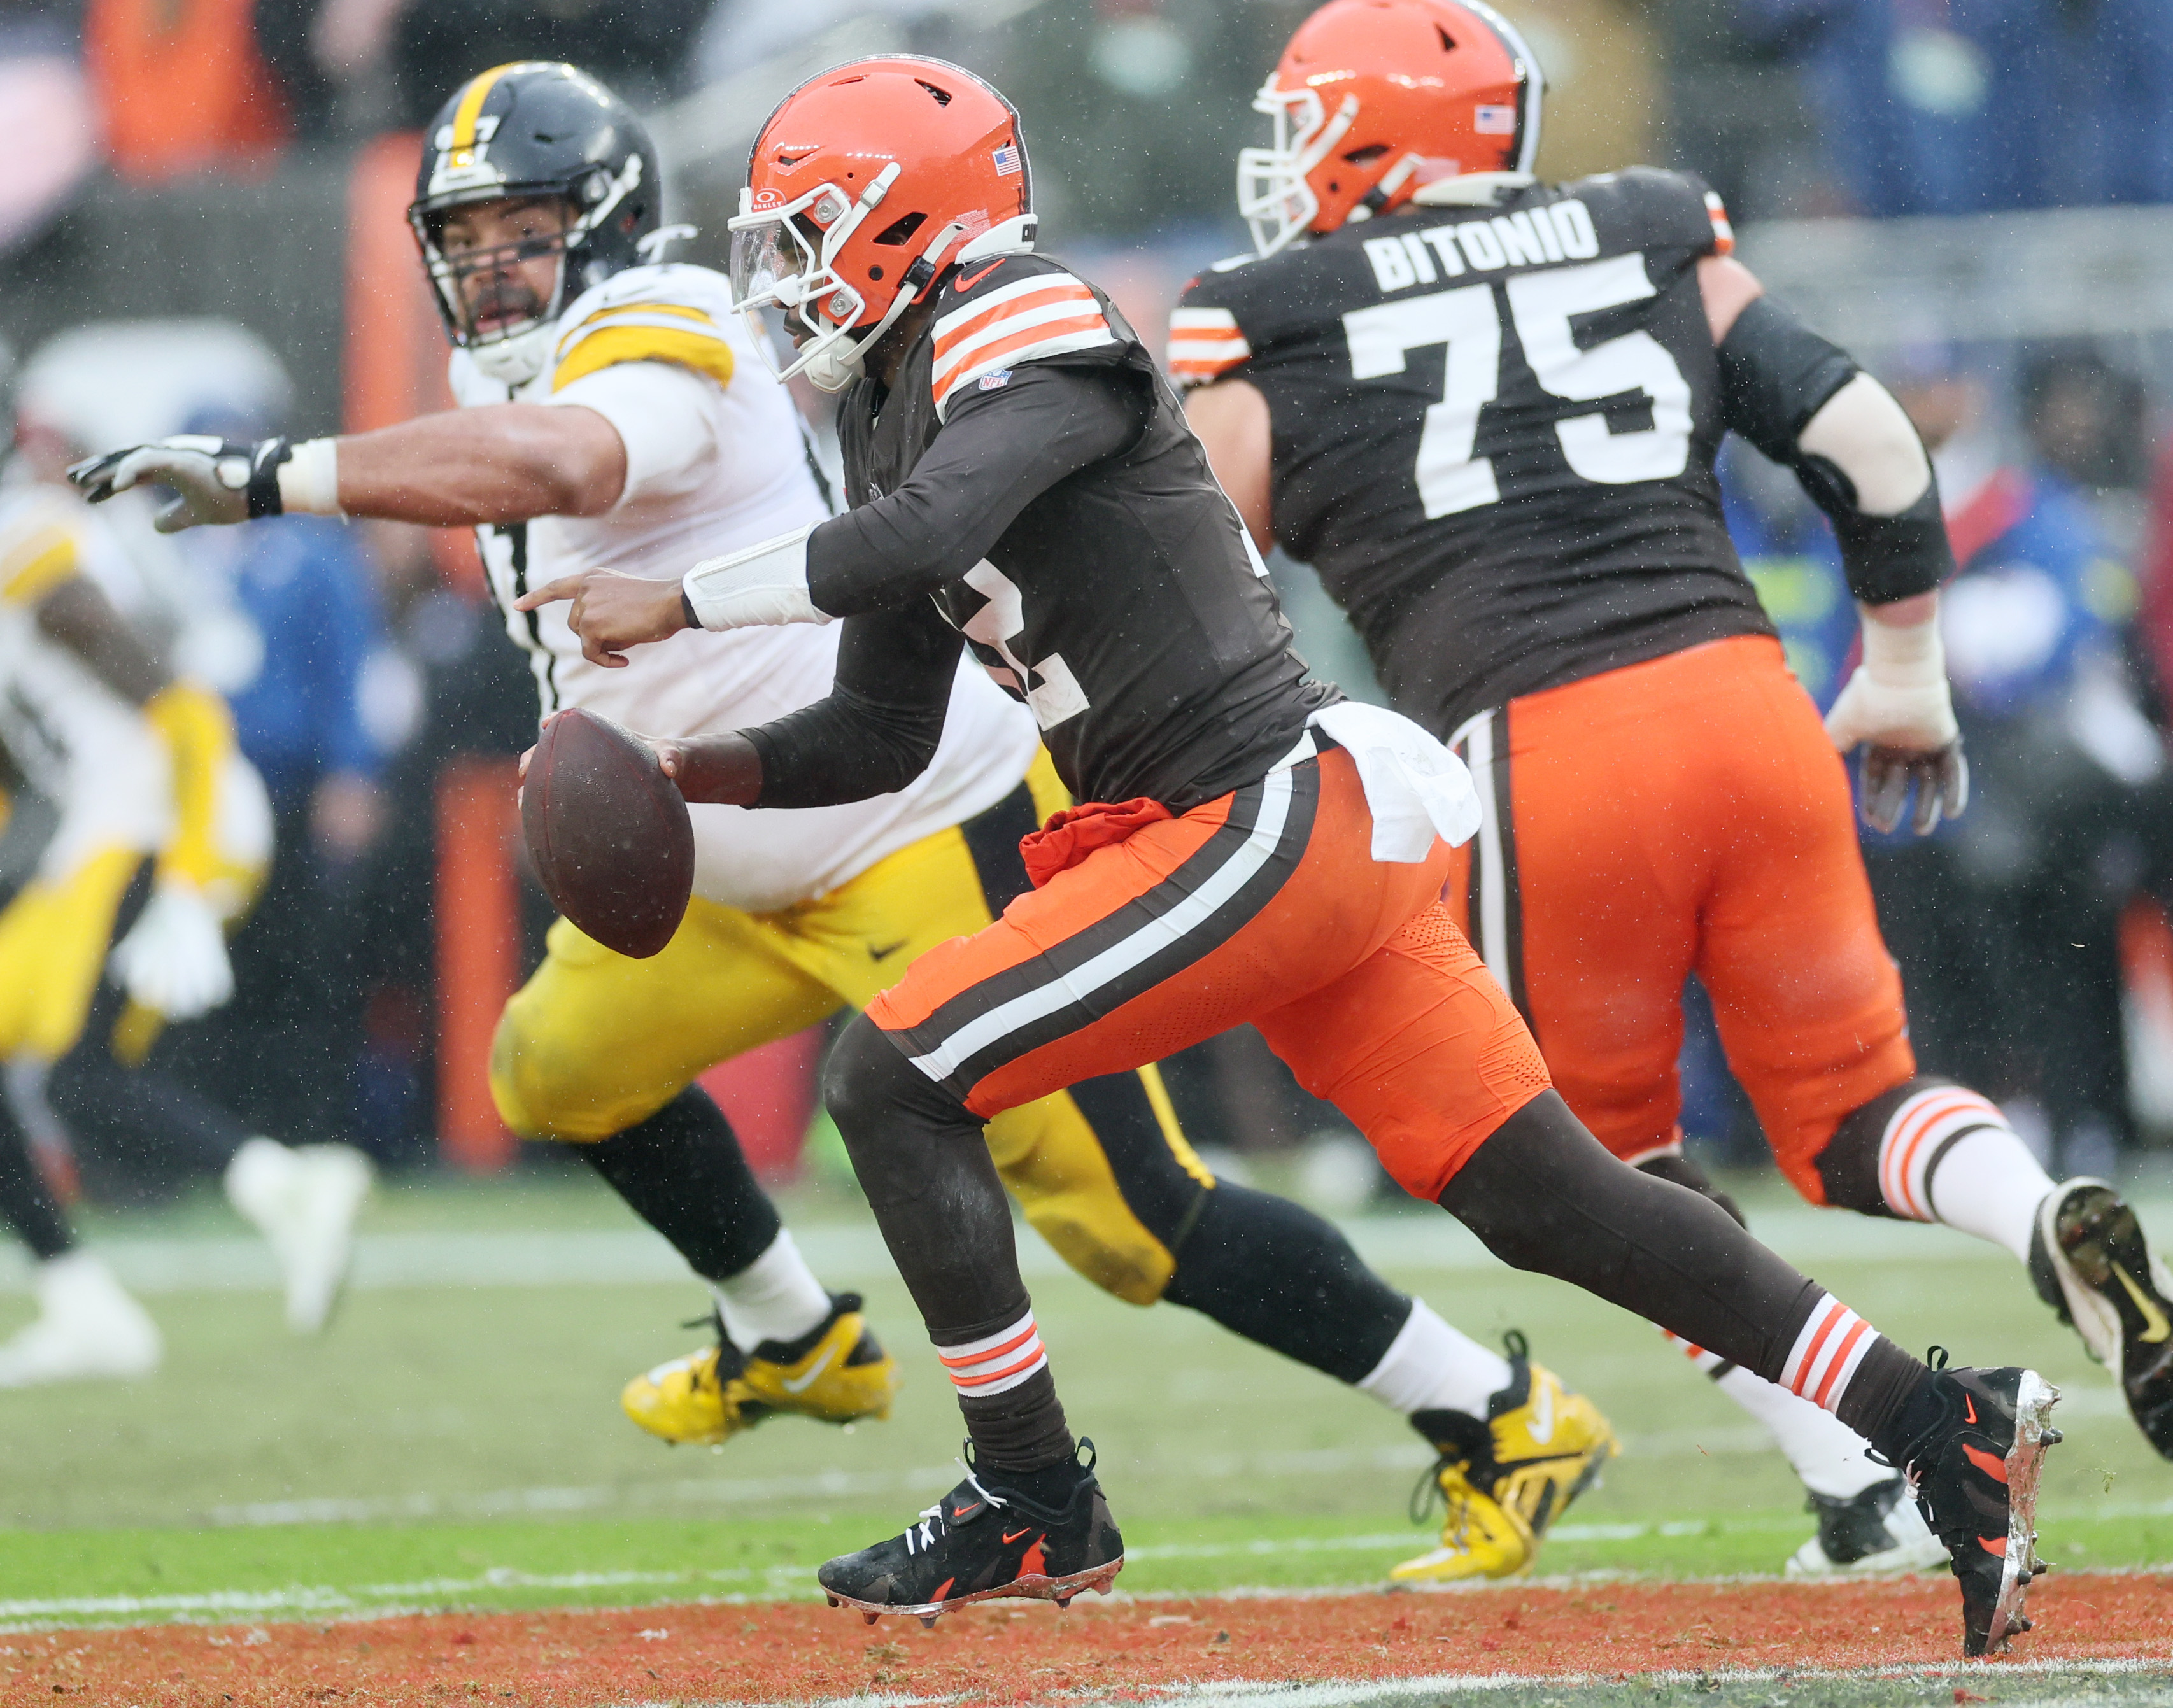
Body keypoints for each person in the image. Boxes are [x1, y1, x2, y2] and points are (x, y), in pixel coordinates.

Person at [523, 53, 2058, 1656]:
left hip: (1251, 812)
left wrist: (691, 598)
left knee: (891, 1076)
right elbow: (879, 735)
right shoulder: (898, 402)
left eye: (813, 228)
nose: (790, 270)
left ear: (918, 214)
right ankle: (1948, 1425)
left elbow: (915, 541)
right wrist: (686, 772)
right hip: (1271, 833)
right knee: (1550, 1198)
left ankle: (1033, 1493)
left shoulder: (1018, 313)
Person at [70, 59, 1620, 1586]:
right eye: (464, 244)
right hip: (721, 849)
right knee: (554, 1066)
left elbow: (570, 460)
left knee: (1132, 1223)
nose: (490, 274)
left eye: (522, 236)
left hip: (903, 826)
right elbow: (513, 453)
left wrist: (280, 478)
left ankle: (1498, 1411)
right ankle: (788, 1327)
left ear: (607, 228)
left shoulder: (657, 322)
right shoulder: (499, 376)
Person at [1168, 0, 2171, 1575]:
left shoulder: (1264, 311)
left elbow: (1191, 577)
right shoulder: (1641, 225)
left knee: (1583, 1176)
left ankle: (1860, 1476)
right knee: (1852, 1110)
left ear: (1378, 134)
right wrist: (1903, 669)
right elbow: (1861, 434)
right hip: (1750, 703)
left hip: (1538, 748)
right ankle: (2038, 1210)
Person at [0, 353, 374, 1386]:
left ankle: (276, 1191)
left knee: (79, 1075)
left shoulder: (29, 543)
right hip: (108, 828)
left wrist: (186, 886)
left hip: (174, 820)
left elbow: (185, 711)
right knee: (66, 1076)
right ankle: (93, 1297)